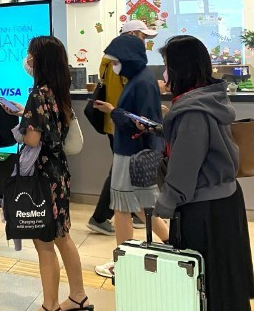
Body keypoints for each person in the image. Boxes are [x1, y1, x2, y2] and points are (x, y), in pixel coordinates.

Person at [149, 35, 254, 311]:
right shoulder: (209, 100)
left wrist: (164, 205)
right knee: (226, 281)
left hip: (204, 210)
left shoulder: (191, 112)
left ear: (180, 68)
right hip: (226, 204)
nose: (165, 72)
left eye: (167, 65)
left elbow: (184, 170)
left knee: (207, 285)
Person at [2, 36, 92, 311]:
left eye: (29, 54)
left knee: (43, 243)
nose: (26, 59)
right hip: (59, 174)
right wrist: (25, 114)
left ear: (38, 61)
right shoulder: (58, 93)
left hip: (40, 177)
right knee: (62, 236)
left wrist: (21, 125)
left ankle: (49, 305)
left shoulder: (38, 95)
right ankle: (79, 296)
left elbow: (32, 140)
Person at [92, 34, 169, 278]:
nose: (115, 66)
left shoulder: (141, 82)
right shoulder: (141, 78)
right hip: (138, 152)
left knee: (122, 208)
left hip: (131, 153)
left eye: (117, 61)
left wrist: (114, 112)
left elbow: (143, 123)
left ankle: (123, 261)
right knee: (140, 205)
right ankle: (172, 242)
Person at [87, 20, 157, 236]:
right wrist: (115, 112)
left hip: (129, 141)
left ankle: (116, 231)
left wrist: (114, 112)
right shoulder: (130, 74)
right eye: (143, 37)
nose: (144, 42)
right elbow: (127, 107)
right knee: (128, 199)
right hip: (123, 135)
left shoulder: (140, 80)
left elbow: (139, 119)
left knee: (126, 200)